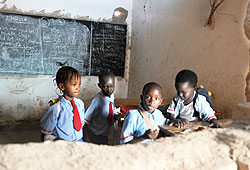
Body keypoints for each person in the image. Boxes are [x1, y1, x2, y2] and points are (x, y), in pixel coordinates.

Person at [40, 63, 85, 142]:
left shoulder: (80, 104)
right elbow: (45, 133)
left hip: (79, 141)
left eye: (79, 84)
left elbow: (81, 124)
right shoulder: (56, 109)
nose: (78, 88)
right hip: (64, 144)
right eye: (74, 84)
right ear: (62, 86)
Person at [83, 71, 115, 145]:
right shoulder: (96, 100)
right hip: (94, 135)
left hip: (104, 134)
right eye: (106, 86)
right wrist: (86, 138)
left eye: (112, 86)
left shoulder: (111, 96)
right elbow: (85, 120)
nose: (109, 89)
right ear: (99, 86)